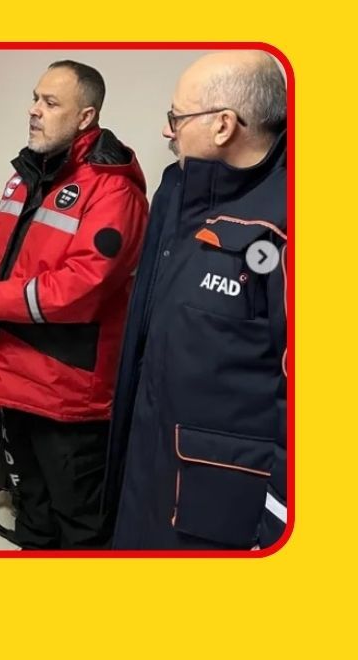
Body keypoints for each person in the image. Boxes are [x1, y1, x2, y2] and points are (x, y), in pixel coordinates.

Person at [0, 60, 149, 549]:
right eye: (35, 98)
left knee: (80, 521)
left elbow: (85, 285)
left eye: (50, 103)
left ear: (85, 116)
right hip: (14, 379)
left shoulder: (114, 189)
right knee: (30, 506)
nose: (33, 110)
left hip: (69, 394)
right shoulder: (26, 177)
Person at [105, 51, 288, 550]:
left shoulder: (282, 221)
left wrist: (277, 536)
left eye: (177, 117)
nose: (167, 130)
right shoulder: (178, 190)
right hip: (150, 466)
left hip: (222, 504)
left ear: (224, 125)